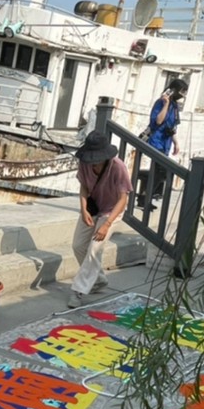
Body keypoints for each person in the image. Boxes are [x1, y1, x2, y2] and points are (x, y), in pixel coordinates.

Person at [70, 130, 132, 303]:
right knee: (78, 246)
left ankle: (78, 290)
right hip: (93, 207)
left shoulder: (118, 167)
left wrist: (107, 224)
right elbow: (83, 187)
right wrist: (83, 209)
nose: (94, 163)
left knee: (94, 249)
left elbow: (123, 199)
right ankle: (98, 279)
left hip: (112, 211)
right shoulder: (84, 163)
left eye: (97, 159)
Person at [141, 79, 186, 208]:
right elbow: (159, 121)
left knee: (160, 170)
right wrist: (165, 104)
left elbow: (171, 126)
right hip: (156, 140)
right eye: (181, 91)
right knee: (160, 170)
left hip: (166, 141)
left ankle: (148, 197)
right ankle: (146, 197)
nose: (182, 94)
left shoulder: (175, 106)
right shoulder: (161, 103)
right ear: (173, 90)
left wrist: (176, 142)